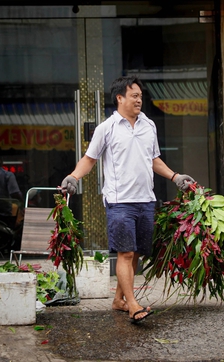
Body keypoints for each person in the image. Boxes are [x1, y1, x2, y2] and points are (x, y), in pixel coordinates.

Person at [61, 75, 195, 324]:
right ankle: (133, 305)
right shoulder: (106, 128)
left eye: (140, 96)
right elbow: (90, 159)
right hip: (119, 200)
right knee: (125, 253)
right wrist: (73, 177)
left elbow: (153, 159)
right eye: (134, 96)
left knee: (135, 255)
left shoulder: (149, 126)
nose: (139, 100)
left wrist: (175, 176)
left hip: (145, 199)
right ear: (119, 98)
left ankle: (118, 300)